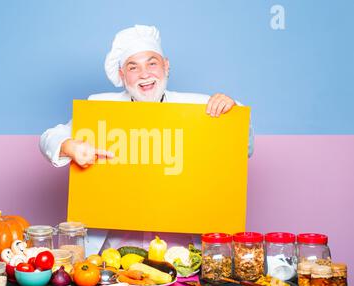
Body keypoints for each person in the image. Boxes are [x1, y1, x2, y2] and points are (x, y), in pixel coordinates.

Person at [40, 25, 254, 256]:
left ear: (166, 66)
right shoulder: (101, 108)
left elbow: (245, 147)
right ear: (122, 75)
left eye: (152, 63)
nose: (144, 74)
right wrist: (70, 146)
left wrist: (231, 109)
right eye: (134, 67)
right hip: (114, 253)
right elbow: (49, 137)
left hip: (182, 252)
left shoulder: (200, 108)